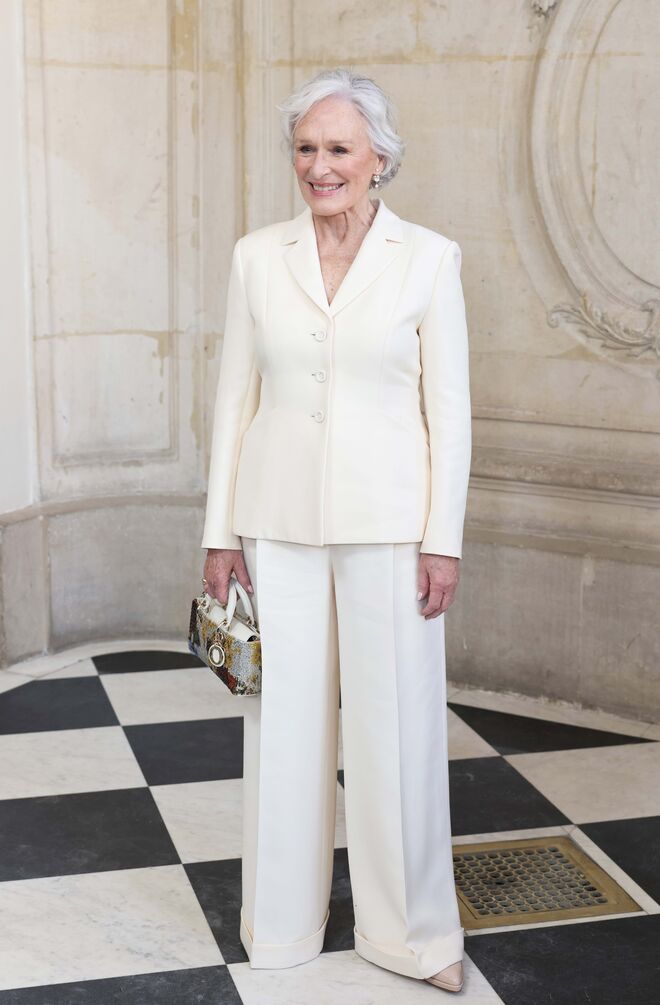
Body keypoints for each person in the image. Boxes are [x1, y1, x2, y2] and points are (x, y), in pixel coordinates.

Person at [201, 67, 472, 994]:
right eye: (307, 148)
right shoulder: (254, 255)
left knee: (397, 734)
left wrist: (444, 538)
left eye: (339, 149)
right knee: (283, 729)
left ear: (379, 159)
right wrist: (218, 532)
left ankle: (415, 936)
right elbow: (235, 400)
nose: (321, 166)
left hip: (392, 528)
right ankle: (279, 928)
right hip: (272, 525)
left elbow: (453, 412)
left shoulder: (430, 260)